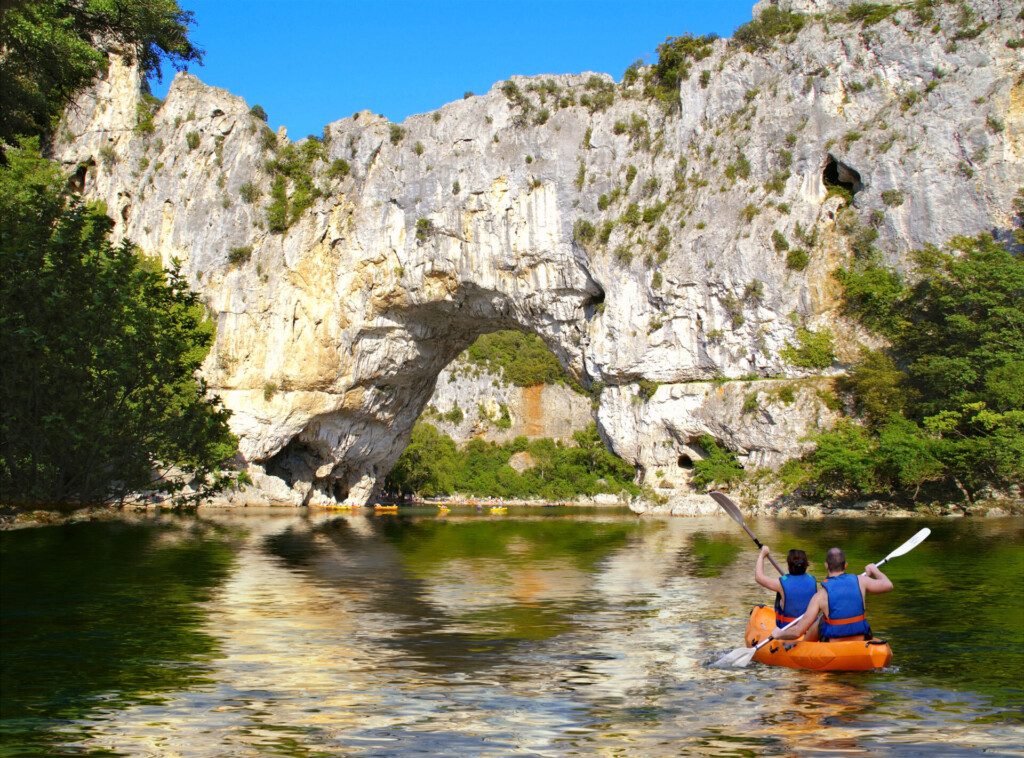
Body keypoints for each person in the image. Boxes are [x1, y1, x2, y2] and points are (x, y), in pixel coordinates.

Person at [772, 546, 893, 642]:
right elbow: (888, 585)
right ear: (845, 565)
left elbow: (798, 631)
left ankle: (804, 645)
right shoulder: (861, 581)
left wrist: (779, 634)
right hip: (862, 637)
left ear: (826, 565)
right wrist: (874, 570)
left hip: (834, 642)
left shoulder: (820, 595)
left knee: (820, 619)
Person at [755, 546, 817, 630]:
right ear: (806, 566)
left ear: (788, 566)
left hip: (787, 630)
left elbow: (759, 577)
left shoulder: (781, 583)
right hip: (809, 629)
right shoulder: (812, 580)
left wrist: (762, 555)